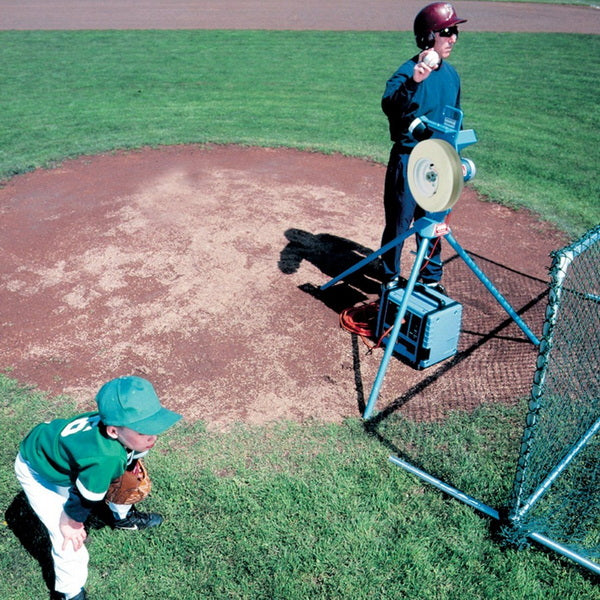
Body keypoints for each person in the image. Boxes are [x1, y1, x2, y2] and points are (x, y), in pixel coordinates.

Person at [14, 375, 182, 600]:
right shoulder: (106, 458)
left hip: (61, 451)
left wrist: (129, 465)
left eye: (154, 425)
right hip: (39, 470)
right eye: (142, 431)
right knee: (68, 539)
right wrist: (71, 523)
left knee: (125, 478)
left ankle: (122, 518)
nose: (152, 436)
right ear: (114, 431)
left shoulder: (119, 432)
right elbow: (83, 500)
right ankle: (70, 593)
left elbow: (124, 455)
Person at [380, 2, 467, 292]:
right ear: (428, 37)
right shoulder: (406, 73)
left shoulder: (452, 75)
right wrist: (415, 82)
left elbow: (454, 117)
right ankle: (390, 278)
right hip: (408, 161)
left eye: (454, 31)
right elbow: (390, 106)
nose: (452, 37)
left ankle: (429, 281)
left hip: (438, 164)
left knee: (432, 225)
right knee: (398, 226)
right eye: (446, 31)